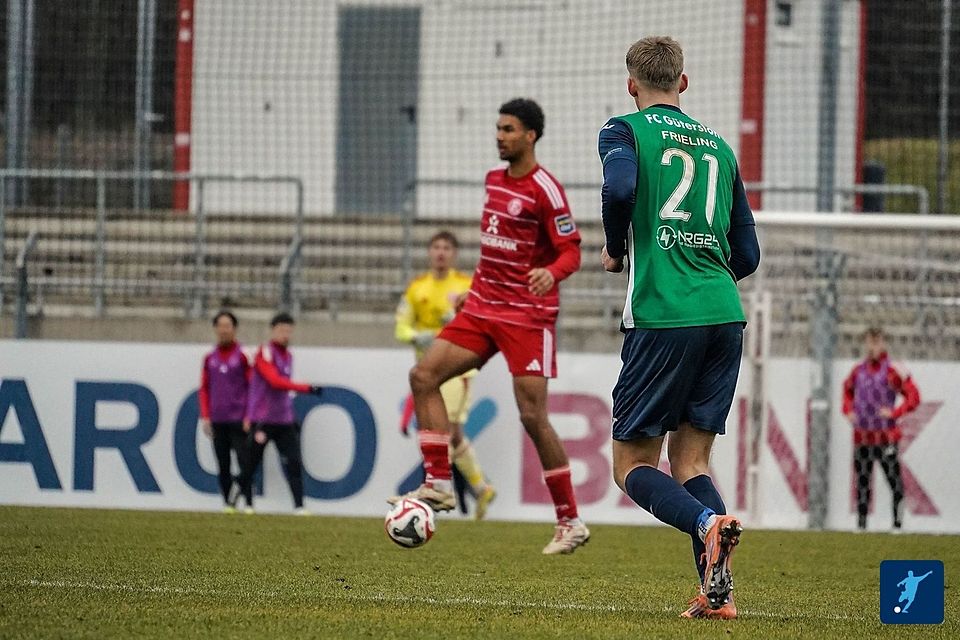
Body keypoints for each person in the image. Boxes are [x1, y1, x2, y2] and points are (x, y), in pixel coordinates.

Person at [598, 36, 760, 619]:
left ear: (631, 84)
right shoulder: (719, 146)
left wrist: (617, 248)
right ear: (684, 84)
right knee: (692, 463)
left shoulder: (623, 131)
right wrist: (708, 275)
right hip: (724, 313)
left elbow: (618, 188)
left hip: (665, 316)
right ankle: (719, 595)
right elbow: (748, 251)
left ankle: (704, 522)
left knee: (633, 466)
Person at [389, 98, 590, 555]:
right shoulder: (493, 181)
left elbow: (571, 250)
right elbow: (495, 247)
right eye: (498, 128)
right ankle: (438, 482)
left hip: (526, 316)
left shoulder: (546, 189)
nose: (499, 136)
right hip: (482, 307)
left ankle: (570, 521)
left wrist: (551, 273)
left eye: (509, 129)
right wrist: (473, 289)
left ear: (531, 135)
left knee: (533, 417)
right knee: (423, 376)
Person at [395, 230, 497, 519]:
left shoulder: (465, 285)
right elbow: (400, 328)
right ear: (430, 252)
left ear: (453, 254)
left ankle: (438, 487)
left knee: (447, 429)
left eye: (446, 248)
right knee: (452, 433)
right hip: (427, 369)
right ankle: (480, 487)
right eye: (436, 247)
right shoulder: (417, 288)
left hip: (457, 369)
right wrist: (422, 336)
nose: (441, 252)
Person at [238, 312, 323, 514]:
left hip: (284, 419)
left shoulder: (288, 356)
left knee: (294, 462)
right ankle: (247, 504)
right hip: (263, 419)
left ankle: (299, 506)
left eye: (289, 331)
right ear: (273, 330)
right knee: (251, 463)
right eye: (282, 330)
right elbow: (275, 382)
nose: (286, 335)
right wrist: (307, 388)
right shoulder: (265, 353)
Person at [841, 326, 920, 532]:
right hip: (863, 437)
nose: (872, 347)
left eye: (876, 342)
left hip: (885, 436)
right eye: (869, 342)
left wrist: (895, 412)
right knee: (862, 483)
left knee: (895, 481)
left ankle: (897, 525)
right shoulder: (858, 370)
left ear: (883, 343)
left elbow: (914, 396)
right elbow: (847, 392)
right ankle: (861, 525)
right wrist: (848, 410)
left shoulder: (894, 370)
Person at [198, 310, 253, 513]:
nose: (223, 330)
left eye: (227, 326)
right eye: (220, 326)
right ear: (215, 329)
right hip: (218, 419)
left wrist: (249, 415)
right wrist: (205, 415)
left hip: (238, 419)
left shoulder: (243, 356)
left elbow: (252, 388)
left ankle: (248, 502)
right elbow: (204, 388)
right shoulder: (209, 358)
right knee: (223, 464)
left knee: (244, 462)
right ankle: (227, 504)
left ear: (234, 329)